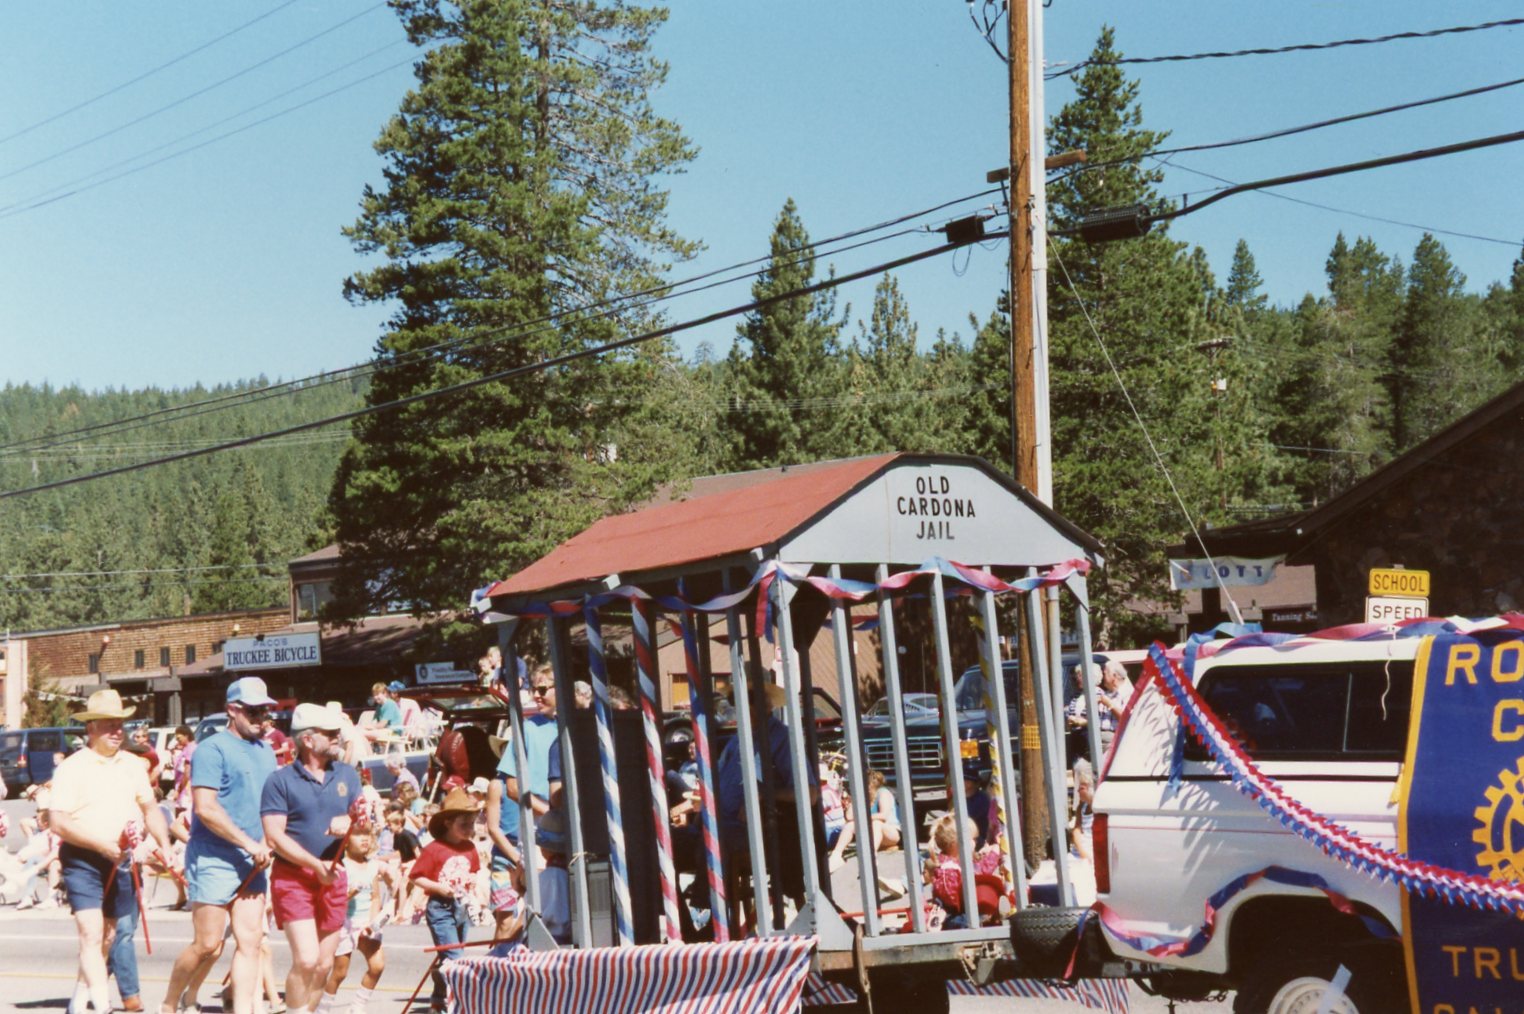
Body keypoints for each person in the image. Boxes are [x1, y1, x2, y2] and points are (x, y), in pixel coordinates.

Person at [49, 689, 172, 1014]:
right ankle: (102, 1006)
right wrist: (101, 845)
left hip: (120, 860)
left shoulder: (133, 765)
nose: (118, 731)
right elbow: (57, 822)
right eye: (109, 725)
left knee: (107, 937)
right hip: (82, 860)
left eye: (121, 724)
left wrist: (165, 844)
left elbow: (150, 809)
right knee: (90, 932)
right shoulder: (72, 768)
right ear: (90, 729)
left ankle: (79, 997)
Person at [162, 677, 279, 1014]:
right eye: (254, 712)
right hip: (214, 857)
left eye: (266, 712)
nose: (262, 719)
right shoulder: (210, 750)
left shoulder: (266, 751)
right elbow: (206, 808)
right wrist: (248, 843)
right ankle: (170, 1002)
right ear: (233, 710)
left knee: (250, 941)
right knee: (208, 944)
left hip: (253, 859)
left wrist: (265, 841)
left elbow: (271, 803)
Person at [261, 703, 363, 1013]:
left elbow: (366, 825)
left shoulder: (347, 774)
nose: (337, 739)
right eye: (331, 734)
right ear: (308, 740)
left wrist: (353, 823)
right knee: (305, 959)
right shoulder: (280, 781)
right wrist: (314, 865)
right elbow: (274, 836)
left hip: (334, 874)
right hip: (294, 877)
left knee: (323, 964)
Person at [715, 681, 816, 908]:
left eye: (747, 697)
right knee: (665, 846)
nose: (738, 706)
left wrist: (761, 796)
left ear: (766, 705)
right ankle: (692, 927)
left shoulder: (783, 739)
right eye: (734, 699)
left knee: (710, 842)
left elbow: (809, 794)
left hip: (754, 831)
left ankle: (715, 924)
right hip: (720, 822)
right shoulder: (736, 741)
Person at [491, 665, 562, 942]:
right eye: (534, 690)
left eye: (543, 689)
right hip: (541, 825)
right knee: (539, 899)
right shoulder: (527, 729)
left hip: (575, 823)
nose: (537, 695)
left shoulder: (577, 724)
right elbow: (513, 787)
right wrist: (551, 812)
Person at [409, 788, 482, 1013]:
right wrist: (438, 887)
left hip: (461, 907)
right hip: (441, 908)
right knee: (456, 960)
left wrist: (476, 898)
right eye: (464, 824)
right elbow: (416, 877)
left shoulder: (470, 848)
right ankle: (462, 1005)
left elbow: (475, 873)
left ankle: (438, 1000)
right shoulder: (434, 850)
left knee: (449, 958)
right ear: (448, 822)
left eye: (472, 824)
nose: (470, 830)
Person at [313, 826, 391, 1014]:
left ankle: (357, 1008)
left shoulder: (372, 865)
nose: (364, 839)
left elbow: (375, 897)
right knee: (340, 972)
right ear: (346, 840)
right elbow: (327, 899)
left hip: (365, 921)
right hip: (344, 923)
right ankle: (322, 1009)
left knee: (377, 966)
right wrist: (348, 894)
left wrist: (372, 923)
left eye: (367, 835)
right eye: (358, 835)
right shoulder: (341, 865)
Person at [827, 768, 900, 874]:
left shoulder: (883, 793)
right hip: (873, 833)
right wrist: (854, 800)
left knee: (876, 823)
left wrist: (862, 817)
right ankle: (836, 855)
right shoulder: (862, 797)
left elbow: (883, 816)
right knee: (851, 825)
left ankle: (871, 855)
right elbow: (849, 817)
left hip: (891, 832)